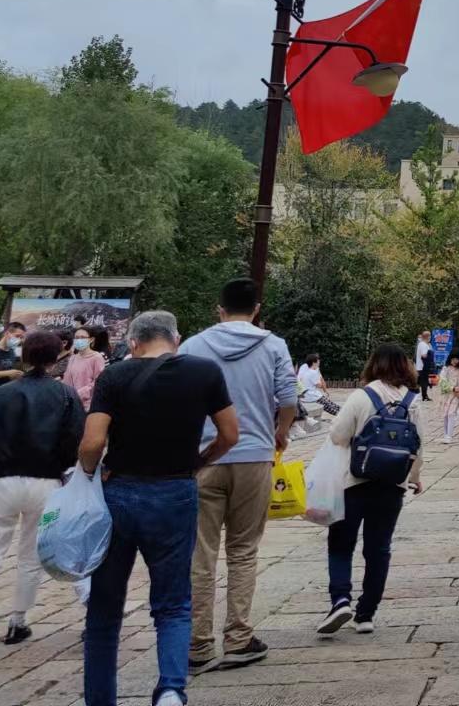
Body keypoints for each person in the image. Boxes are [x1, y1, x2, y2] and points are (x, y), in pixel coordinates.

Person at [80, 311, 238, 706]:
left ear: (132, 343)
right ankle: (170, 688)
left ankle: (100, 698)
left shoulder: (114, 375)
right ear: (176, 338)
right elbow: (231, 434)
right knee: (173, 603)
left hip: (119, 493)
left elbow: (92, 443)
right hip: (175, 492)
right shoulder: (204, 372)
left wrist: (86, 476)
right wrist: (199, 461)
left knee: (104, 608)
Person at [179, 279, 298, 672]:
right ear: (257, 308)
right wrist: (279, 433)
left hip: (204, 457)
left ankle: (197, 644)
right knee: (244, 551)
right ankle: (239, 638)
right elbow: (289, 400)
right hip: (255, 457)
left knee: (201, 553)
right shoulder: (273, 345)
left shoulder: (193, 345)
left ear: (220, 309)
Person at [0, 330, 86, 662]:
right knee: (31, 554)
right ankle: (18, 622)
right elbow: (75, 437)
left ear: (24, 355)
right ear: (57, 354)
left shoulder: (0, 394)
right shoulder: (65, 394)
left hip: (0, 478)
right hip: (45, 481)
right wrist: (64, 469)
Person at [317, 344, 424, 635]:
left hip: (354, 482)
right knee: (378, 548)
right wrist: (415, 477)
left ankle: (340, 599)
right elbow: (417, 444)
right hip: (392, 485)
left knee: (341, 543)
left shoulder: (362, 396)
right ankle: (366, 614)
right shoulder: (413, 400)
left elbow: (338, 435)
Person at [62, 324, 109, 409]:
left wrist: (82, 393)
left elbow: (98, 381)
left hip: (88, 405)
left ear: (91, 339)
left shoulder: (97, 357)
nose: (79, 340)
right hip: (72, 403)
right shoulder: (73, 358)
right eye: (76, 337)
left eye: (82, 337)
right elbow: (67, 380)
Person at [438, 354, 459, 442]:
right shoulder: (446, 369)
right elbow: (442, 381)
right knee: (445, 414)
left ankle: (449, 436)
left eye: (457, 359)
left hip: (457, 395)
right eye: (453, 359)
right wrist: (452, 388)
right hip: (447, 395)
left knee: (451, 413)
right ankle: (446, 434)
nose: (455, 361)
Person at [414, 331, 434, 402]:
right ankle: (424, 396)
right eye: (430, 336)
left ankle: (423, 395)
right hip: (423, 366)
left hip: (421, 366)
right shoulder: (423, 345)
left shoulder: (422, 344)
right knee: (424, 382)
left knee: (422, 381)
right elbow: (424, 355)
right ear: (428, 337)